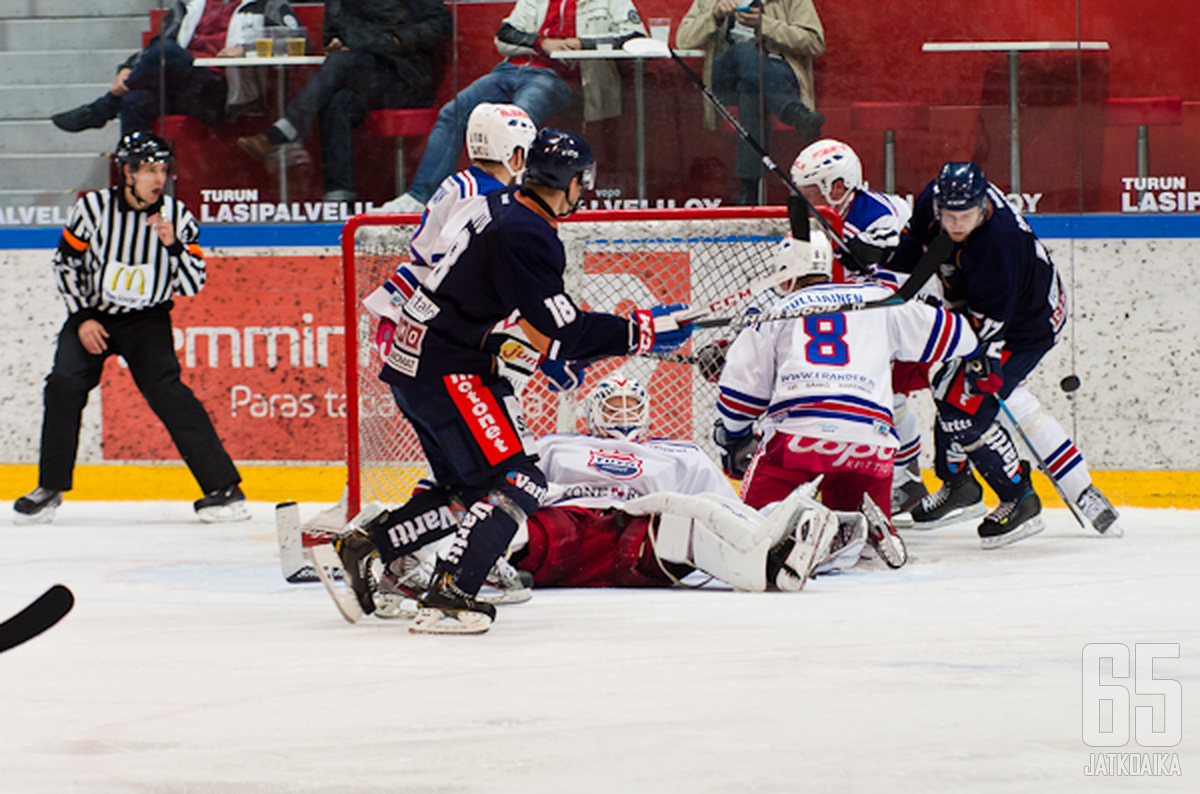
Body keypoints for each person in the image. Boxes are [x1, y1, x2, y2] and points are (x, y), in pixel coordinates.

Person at [332, 129, 693, 634]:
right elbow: (561, 327)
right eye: (581, 184)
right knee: (519, 480)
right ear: (570, 181)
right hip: (446, 366)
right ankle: (451, 594)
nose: (582, 194)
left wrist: (533, 345)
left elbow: (508, 307)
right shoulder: (529, 232)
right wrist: (639, 331)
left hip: (418, 358)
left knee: (465, 490)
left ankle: (370, 544)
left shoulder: (499, 203)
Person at [12, 132, 247, 526]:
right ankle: (49, 488)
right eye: (149, 170)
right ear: (127, 172)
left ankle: (223, 488)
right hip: (94, 316)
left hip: (146, 320)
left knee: (169, 394)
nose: (158, 179)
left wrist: (173, 246)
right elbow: (65, 264)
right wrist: (83, 317)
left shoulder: (177, 216)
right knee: (63, 385)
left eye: (162, 170)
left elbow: (192, 284)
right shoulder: (93, 210)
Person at [713, 223, 980, 563]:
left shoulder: (776, 312)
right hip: (872, 440)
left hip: (799, 435)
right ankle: (863, 534)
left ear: (786, 274)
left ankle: (804, 535)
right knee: (853, 528)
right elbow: (960, 336)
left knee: (755, 530)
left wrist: (733, 436)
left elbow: (740, 396)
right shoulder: (877, 299)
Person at [888, 162, 1123, 544]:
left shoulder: (998, 243)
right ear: (939, 205)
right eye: (949, 215)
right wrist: (886, 282)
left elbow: (988, 325)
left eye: (965, 216)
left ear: (983, 206)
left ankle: (1019, 500)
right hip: (986, 304)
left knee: (966, 402)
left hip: (1028, 324)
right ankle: (960, 484)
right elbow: (914, 245)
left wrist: (985, 357)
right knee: (950, 389)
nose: (956, 223)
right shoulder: (933, 197)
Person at [385, 0, 647, 212]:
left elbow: (636, 36)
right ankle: (421, 197)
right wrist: (541, 43)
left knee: (517, 123)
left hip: (559, 78)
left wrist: (582, 44)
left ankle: (510, 200)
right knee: (452, 112)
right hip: (509, 70)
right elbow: (504, 36)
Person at [789, 138, 935, 516]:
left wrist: (860, 257)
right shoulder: (811, 222)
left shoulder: (884, 213)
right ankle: (904, 478)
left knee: (890, 396)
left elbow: (897, 276)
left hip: (901, 316)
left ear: (838, 186)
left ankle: (908, 477)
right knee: (881, 397)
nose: (803, 200)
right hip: (854, 322)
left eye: (810, 191)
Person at [237, 0, 452, 202]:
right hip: (362, 75)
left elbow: (442, 23)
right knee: (337, 99)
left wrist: (398, 39)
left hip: (405, 77)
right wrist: (336, 44)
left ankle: (284, 132)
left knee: (341, 66)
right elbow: (332, 36)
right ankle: (339, 199)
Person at [51, 0, 302, 135]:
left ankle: (102, 109)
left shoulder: (266, 3)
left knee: (167, 52)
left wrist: (245, 50)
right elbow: (156, 46)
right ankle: (135, 181)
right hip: (181, 87)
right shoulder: (190, 5)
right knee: (135, 100)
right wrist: (127, 69)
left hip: (221, 92)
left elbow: (297, 39)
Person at [676, 0, 826, 205]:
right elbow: (683, 39)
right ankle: (795, 113)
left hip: (775, 72)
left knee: (752, 89)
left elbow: (815, 42)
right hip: (727, 75)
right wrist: (715, 14)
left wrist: (766, 24)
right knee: (743, 51)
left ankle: (749, 189)